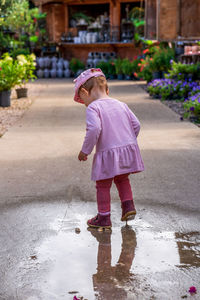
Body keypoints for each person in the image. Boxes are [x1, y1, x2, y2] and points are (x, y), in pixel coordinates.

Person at [73, 68, 144, 229]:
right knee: (122, 179)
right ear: (107, 90)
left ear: (84, 92)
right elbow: (136, 125)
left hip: (108, 154)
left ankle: (104, 218)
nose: (84, 103)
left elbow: (94, 130)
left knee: (103, 185)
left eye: (82, 99)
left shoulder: (93, 108)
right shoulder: (121, 104)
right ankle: (128, 207)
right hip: (127, 149)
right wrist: (127, 142)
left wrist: (85, 150)